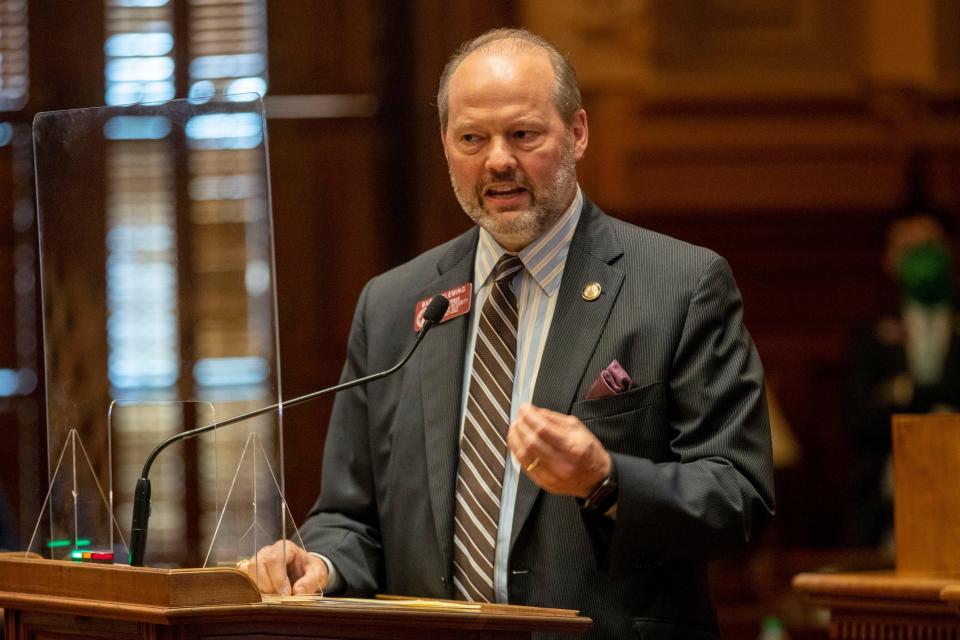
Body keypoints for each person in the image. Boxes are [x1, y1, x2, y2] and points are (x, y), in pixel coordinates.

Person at [245, 28, 774, 639]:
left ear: (576, 132)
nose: (498, 160)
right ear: (446, 145)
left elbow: (740, 496)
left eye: (523, 134)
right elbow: (349, 515)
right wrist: (322, 564)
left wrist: (607, 479)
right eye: (472, 138)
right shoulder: (393, 305)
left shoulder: (681, 283)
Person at [846, 209, 960, 550]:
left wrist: (905, 393)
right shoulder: (870, 334)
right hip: (886, 514)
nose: (921, 258)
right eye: (908, 249)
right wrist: (933, 395)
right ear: (889, 259)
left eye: (929, 246)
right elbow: (857, 420)